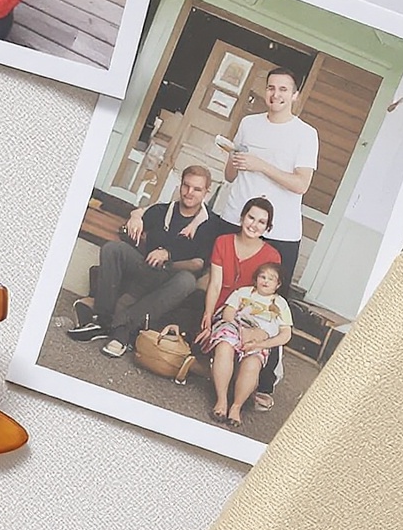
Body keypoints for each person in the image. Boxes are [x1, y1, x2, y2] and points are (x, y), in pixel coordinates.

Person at [68, 163, 217, 358]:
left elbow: (197, 263)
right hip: (145, 267)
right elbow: (138, 216)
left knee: (187, 280)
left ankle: (122, 327)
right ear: (180, 185)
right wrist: (136, 216)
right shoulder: (163, 210)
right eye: (186, 186)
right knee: (114, 249)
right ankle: (101, 319)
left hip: (172, 278)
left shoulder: (211, 224)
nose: (189, 192)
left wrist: (168, 256)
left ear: (207, 192)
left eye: (197, 189)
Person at [216, 67, 318, 291]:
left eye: (283, 89)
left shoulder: (306, 134)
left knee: (266, 301)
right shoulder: (249, 123)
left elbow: (301, 184)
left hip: (279, 230)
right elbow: (229, 175)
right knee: (220, 287)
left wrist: (260, 165)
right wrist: (234, 155)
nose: (276, 94)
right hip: (236, 218)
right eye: (271, 88)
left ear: (295, 95)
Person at [201, 260, 293, 428]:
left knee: (253, 362)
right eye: (262, 276)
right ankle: (221, 400)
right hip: (236, 327)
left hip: (260, 337)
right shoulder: (243, 293)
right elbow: (228, 313)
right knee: (224, 346)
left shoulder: (280, 304)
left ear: (278, 284)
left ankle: (236, 406)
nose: (265, 281)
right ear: (256, 279)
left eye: (271, 279)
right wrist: (241, 331)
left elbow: (285, 334)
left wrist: (261, 344)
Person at [197, 199, 284, 363]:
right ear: (243, 217)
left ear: (267, 228)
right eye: (251, 218)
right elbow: (215, 284)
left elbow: (265, 295)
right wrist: (208, 314)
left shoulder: (272, 256)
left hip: (249, 312)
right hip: (220, 306)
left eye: (262, 222)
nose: (254, 225)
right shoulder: (223, 242)